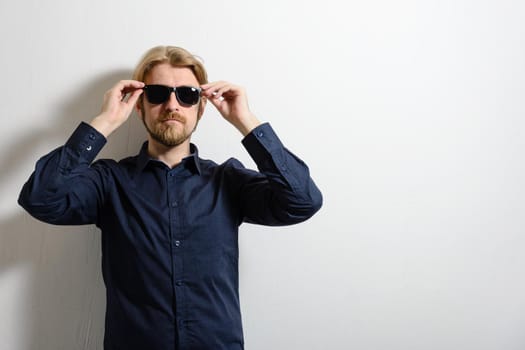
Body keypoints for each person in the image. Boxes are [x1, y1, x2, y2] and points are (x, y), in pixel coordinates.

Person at [18, 45, 322, 350]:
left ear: (201, 107)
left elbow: (302, 201)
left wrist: (245, 121)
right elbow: (41, 198)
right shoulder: (109, 182)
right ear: (140, 106)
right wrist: (106, 121)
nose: (172, 105)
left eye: (187, 94)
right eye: (158, 93)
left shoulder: (228, 181)